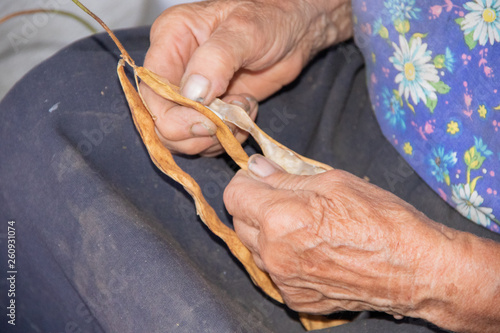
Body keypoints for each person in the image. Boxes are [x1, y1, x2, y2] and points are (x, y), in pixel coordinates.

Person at [140, 0, 500, 332]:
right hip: (378, 82)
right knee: (89, 96)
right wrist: (312, 15)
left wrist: (428, 277)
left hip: (473, 254)